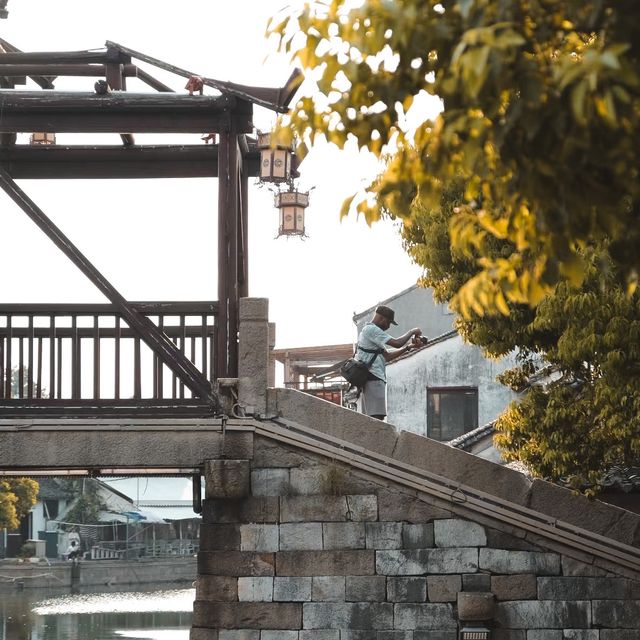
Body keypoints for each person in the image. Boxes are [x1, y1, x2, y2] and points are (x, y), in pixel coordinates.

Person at [352, 305, 422, 420]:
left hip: (372, 379)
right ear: (382, 318)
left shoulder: (370, 332)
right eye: (389, 322)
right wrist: (413, 331)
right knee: (376, 418)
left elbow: (387, 356)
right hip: (373, 378)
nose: (388, 326)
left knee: (374, 418)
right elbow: (398, 343)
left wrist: (409, 347)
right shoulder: (372, 330)